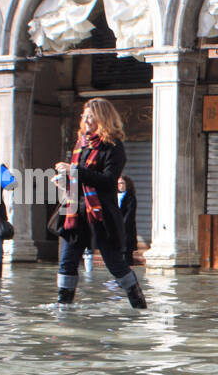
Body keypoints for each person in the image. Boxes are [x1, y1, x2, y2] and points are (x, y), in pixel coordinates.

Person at [53, 98, 147, 308]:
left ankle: (138, 303)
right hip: (75, 211)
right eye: (84, 116)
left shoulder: (113, 147)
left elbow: (108, 181)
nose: (85, 121)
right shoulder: (81, 144)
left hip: (100, 214)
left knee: (114, 263)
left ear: (102, 118)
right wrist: (64, 181)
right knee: (67, 260)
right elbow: (79, 179)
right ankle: (63, 307)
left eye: (90, 117)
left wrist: (74, 171)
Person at [118, 175, 139, 262]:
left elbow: (130, 214)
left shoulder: (130, 197)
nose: (120, 185)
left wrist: (122, 225)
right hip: (116, 231)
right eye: (118, 183)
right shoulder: (114, 196)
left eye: (122, 183)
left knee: (126, 254)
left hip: (126, 230)